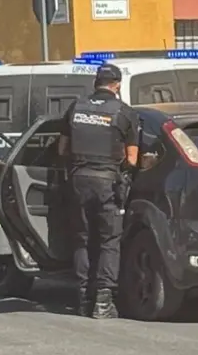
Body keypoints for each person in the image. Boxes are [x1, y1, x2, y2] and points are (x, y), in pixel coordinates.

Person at [57, 64, 139, 319]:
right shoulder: (124, 113)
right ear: (116, 85)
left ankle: (83, 298)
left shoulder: (76, 108)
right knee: (108, 241)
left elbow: (62, 150)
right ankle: (103, 302)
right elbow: (133, 159)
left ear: (96, 83)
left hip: (78, 181)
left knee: (81, 239)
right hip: (107, 183)